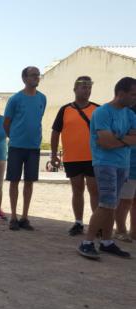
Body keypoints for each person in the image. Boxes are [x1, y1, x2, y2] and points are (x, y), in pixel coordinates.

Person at [77, 77, 136, 260]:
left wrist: (118, 140)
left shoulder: (131, 115)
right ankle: (87, 242)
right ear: (121, 93)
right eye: (133, 94)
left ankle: (107, 242)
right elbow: (105, 142)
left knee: (112, 205)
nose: (135, 98)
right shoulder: (102, 112)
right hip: (105, 164)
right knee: (106, 204)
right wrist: (125, 140)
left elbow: (131, 139)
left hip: (122, 164)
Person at [50, 76, 100, 236]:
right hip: (72, 158)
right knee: (77, 190)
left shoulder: (98, 109)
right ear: (75, 89)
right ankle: (78, 223)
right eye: (84, 87)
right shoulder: (65, 109)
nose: (87, 90)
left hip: (94, 157)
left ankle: (97, 224)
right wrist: (53, 154)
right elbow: (55, 132)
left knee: (95, 191)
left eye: (89, 87)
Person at [4, 66, 47, 231]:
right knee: (14, 181)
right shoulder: (15, 99)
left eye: (38, 75)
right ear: (24, 78)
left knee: (29, 183)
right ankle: (13, 216)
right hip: (16, 147)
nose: (36, 77)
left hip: (33, 148)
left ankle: (25, 217)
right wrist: (14, 137)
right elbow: (6, 123)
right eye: (33, 75)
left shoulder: (42, 98)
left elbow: (38, 119)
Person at [114, 104, 136, 241]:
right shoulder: (127, 113)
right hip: (130, 163)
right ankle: (120, 230)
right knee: (126, 201)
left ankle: (134, 232)